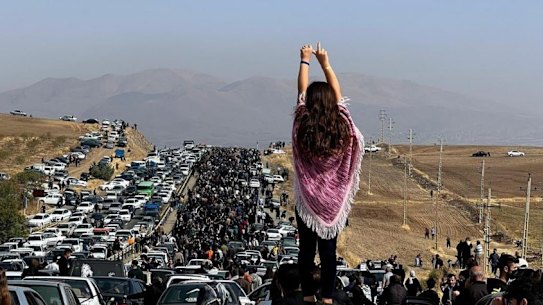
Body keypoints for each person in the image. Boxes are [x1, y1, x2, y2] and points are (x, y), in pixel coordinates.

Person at [293, 42, 363, 305]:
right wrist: (326, 63)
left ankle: (309, 295)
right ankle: (328, 298)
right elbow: (339, 95)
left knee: (306, 250)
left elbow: (301, 91)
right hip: (333, 201)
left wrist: (305, 60)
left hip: (307, 201)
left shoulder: (302, 123)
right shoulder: (343, 126)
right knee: (329, 250)